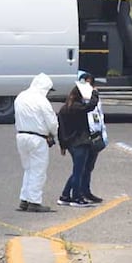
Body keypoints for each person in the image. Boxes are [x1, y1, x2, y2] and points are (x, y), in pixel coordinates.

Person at [14, 73, 59, 213]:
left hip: (21, 136)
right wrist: (54, 135)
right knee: (38, 171)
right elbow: (51, 122)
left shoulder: (20, 97)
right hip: (38, 139)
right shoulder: (42, 100)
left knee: (28, 169)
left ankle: (24, 199)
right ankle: (34, 201)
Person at [56, 79, 99, 207]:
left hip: (70, 143)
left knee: (77, 170)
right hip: (80, 142)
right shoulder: (77, 107)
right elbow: (91, 105)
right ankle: (76, 197)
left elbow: (60, 129)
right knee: (79, 171)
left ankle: (65, 195)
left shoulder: (64, 109)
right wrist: (95, 94)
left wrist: (62, 145)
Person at [79, 71, 106, 203]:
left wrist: (103, 136)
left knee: (89, 167)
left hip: (96, 135)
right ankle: (76, 193)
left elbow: (99, 117)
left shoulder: (95, 97)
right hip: (85, 136)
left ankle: (86, 191)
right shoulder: (80, 98)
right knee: (80, 168)